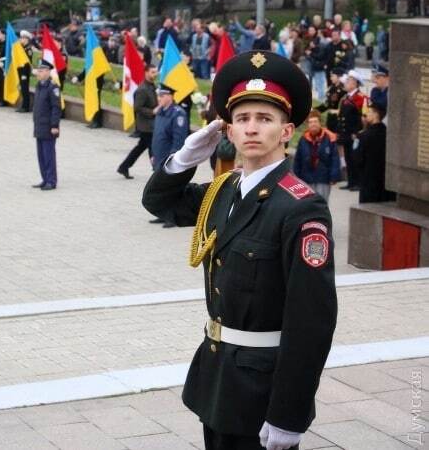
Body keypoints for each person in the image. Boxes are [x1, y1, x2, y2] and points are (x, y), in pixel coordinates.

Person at [142, 51, 337, 450]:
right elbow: (159, 204)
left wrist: (289, 414)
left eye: (265, 119)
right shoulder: (223, 189)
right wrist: (185, 158)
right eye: (242, 119)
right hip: (216, 377)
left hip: (261, 389)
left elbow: (311, 321)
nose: (251, 129)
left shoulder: (300, 207)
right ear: (228, 131)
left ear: (286, 131)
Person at [150, 83, 189, 228]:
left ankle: (172, 217)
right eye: (158, 95)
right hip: (158, 156)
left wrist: (173, 159)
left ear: (170, 97)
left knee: (171, 188)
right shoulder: (160, 112)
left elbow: (178, 140)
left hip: (168, 158)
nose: (159, 98)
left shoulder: (178, 114)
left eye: (162, 95)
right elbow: (156, 135)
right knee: (160, 188)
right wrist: (152, 154)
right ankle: (161, 214)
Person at [117, 64, 158, 179]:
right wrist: (152, 112)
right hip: (146, 126)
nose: (155, 74)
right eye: (152, 72)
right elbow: (137, 107)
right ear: (146, 72)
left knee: (140, 148)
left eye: (155, 72)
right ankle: (157, 173)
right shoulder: (142, 89)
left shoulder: (152, 86)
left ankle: (124, 167)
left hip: (150, 124)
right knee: (153, 149)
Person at [293, 110, 341, 201]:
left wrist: (334, 176)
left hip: (323, 178)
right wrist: (295, 177)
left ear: (320, 123)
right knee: (306, 205)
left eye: (315, 121)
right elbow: (297, 160)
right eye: (310, 122)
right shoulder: (303, 139)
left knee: (322, 204)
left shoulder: (329, 138)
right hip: (306, 178)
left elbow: (334, 158)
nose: (313, 124)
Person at [31, 60, 61, 190]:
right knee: (41, 155)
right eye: (39, 70)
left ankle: (51, 180)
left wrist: (55, 125)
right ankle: (45, 178)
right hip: (39, 126)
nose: (39, 72)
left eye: (42, 70)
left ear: (48, 72)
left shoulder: (52, 87)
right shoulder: (39, 85)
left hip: (49, 127)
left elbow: (56, 108)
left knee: (49, 155)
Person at [358, 105, 395, 203]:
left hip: (369, 179)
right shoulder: (388, 132)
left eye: (369, 112)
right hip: (384, 179)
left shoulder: (365, 135)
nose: (366, 115)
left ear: (376, 115)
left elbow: (358, 158)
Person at [337, 70, 366, 190]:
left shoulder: (360, 98)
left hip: (354, 134)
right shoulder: (346, 97)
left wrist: (357, 132)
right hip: (346, 133)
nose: (345, 83)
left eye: (348, 81)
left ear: (354, 83)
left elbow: (362, 117)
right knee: (348, 158)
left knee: (355, 158)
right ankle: (351, 182)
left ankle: (358, 183)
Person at [16, 30, 33, 112]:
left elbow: (27, 63)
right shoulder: (21, 48)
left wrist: (24, 74)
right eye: (21, 38)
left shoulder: (28, 49)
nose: (21, 40)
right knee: (22, 89)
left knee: (25, 89)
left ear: (26, 39)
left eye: (22, 38)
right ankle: (22, 105)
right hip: (20, 70)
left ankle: (26, 107)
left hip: (25, 72)